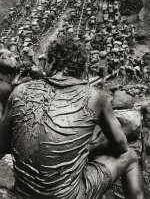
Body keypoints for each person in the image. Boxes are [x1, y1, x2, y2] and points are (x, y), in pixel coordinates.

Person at [0, 37, 143, 199]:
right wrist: (89, 148)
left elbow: (2, 146)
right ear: (82, 68)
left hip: (24, 194)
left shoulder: (20, 91)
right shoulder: (95, 97)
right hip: (70, 196)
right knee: (130, 156)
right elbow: (122, 146)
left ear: (50, 63)